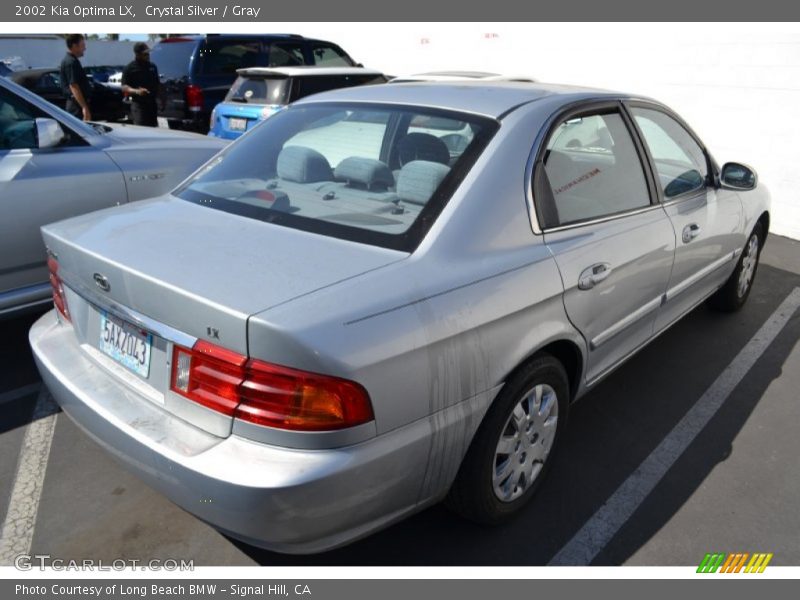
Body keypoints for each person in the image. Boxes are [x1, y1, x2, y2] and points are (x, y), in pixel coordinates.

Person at [121, 42, 162, 127]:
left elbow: (157, 84)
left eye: (148, 53)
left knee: (154, 131)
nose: (148, 55)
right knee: (141, 130)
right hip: (139, 106)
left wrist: (162, 99)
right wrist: (136, 91)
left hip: (152, 105)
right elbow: (124, 87)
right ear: (137, 54)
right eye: (145, 54)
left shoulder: (152, 67)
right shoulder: (129, 68)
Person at [59, 34, 91, 121]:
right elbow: (74, 86)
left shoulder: (73, 61)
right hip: (75, 107)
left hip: (76, 105)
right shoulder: (71, 62)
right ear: (74, 46)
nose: (85, 48)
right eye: (82, 45)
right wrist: (84, 107)